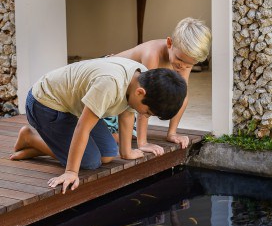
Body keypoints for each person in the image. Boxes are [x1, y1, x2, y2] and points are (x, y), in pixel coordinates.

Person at [10, 57, 187, 194]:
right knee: (90, 162)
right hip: (45, 104)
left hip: (76, 107)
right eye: (147, 112)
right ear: (141, 92)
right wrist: (71, 171)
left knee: (109, 154)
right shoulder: (110, 84)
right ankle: (31, 138)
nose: (144, 115)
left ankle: (40, 145)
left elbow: (127, 111)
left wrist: (126, 152)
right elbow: (83, 128)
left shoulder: (143, 78)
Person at [104, 17, 212, 156]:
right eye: (179, 59)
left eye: (189, 65)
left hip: (129, 95)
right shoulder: (152, 55)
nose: (182, 66)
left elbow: (181, 94)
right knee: (117, 139)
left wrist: (172, 133)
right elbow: (146, 95)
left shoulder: (185, 58)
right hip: (110, 82)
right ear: (169, 43)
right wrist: (143, 142)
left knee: (128, 132)